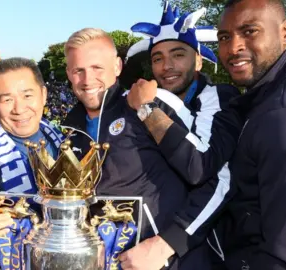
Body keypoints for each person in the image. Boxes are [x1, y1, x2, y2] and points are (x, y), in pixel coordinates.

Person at [62, 27, 212, 269]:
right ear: (69, 73)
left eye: (97, 68)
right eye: (79, 70)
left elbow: (209, 178)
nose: (88, 80)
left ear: (118, 67)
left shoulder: (152, 104)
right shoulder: (69, 131)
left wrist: (168, 244)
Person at [119, 4, 243, 269]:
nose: (167, 66)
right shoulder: (155, 100)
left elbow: (200, 167)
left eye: (178, 55)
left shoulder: (219, 97)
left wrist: (146, 109)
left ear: (198, 60)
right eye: (157, 59)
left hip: (205, 250)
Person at [213, 0, 286, 269]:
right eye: (224, 37)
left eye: (250, 31)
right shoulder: (264, 98)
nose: (234, 48)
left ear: (285, 33)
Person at [0, 58, 64, 269]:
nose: (19, 108)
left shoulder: (67, 141)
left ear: (43, 95)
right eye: (7, 99)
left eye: (28, 95)